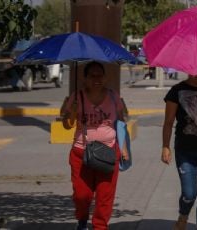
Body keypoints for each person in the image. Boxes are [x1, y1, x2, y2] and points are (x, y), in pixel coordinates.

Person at [61, 61, 129, 230]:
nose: (96, 79)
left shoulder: (114, 96)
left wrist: (124, 147)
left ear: (105, 77)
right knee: (81, 195)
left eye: (100, 75)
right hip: (81, 152)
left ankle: (100, 226)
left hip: (109, 152)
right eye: (92, 75)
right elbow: (67, 125)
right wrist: (73, 112)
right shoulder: (77, 97)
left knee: (105, 195)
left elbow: (121, 123)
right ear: (85, 78)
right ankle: (82, 220)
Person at [161, 72, 197, 230]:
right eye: (196, 71)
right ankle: (183, 214)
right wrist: (165, 146)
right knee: (189, 194)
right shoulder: (177, 91)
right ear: (188, 70)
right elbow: (168, 122)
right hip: (185, 151)